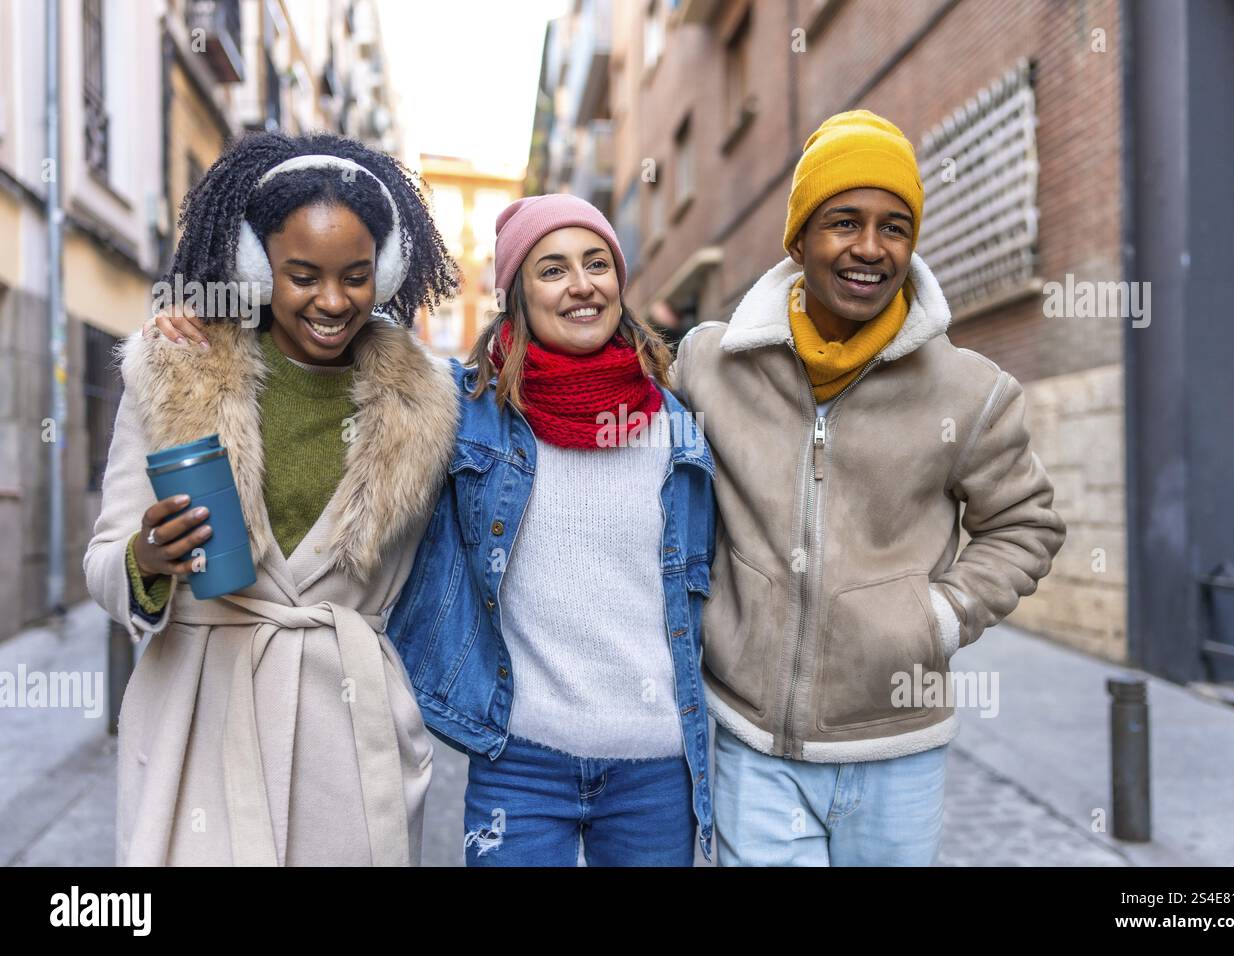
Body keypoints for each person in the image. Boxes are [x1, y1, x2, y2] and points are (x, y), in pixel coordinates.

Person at [669, 109, 1067, 866]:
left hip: (899, 746)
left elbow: (1026, 526)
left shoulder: (970, 391)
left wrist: (937, 619)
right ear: (799, 239)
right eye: (843, 221)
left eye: (895, 226)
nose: (870, 248)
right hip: (754, 745)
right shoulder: (712, 364)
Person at [86, 131, 461, 865]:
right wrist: (147, 558)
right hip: (200, 720)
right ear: (257, 267)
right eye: (302, 275)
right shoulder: (176, 375)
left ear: (384, 273)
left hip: (350, 734)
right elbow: (104, 564)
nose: (331, 300)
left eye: (355, 276)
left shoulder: (430, 401)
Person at [385, 194, 716, 866]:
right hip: (521, 761)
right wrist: (213, 332)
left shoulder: (677, 423)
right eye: (553, 269)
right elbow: (346, 360)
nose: (582, 285)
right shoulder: (467, 411)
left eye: (597, 263)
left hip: (654, 761)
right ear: (517, 294)